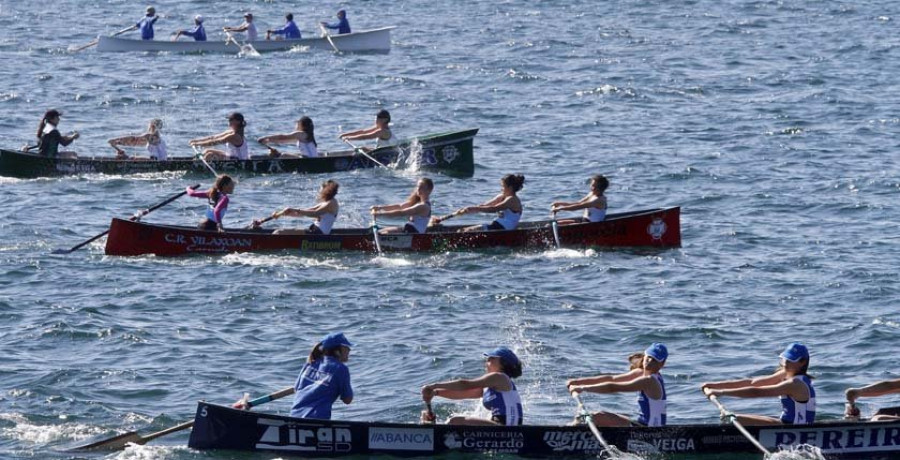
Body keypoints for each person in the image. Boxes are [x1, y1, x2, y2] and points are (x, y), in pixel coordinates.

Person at [702, 343, 816, 426]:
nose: (785, 363)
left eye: (791, 360)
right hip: (784, 423)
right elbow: (752, 383)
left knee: (734, 419)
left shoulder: (795, 384)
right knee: (734, 418)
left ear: (803, 362)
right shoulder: (785, 373)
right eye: (785, 359)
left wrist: (721, 393)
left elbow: (756, 391)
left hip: (795, 429)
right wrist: (714, 385)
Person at [567, 343, 669, 427]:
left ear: (662, 364)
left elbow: (613, 387)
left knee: (596, 416)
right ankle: (573, 430)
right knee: (585, 417)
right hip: (640, 424)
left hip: (649, 431)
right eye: (649, 357)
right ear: (644, 356)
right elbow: (611, 379)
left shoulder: (649, 380)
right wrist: (577, 382)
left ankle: (567, 436)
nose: (649, 362)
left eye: (655, 360)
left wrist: (582, 388)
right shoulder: (641, 373)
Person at [421, 347, 524, 426]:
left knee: (455, 421)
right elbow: (462, 393)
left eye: (491, 359)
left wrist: (433, 386)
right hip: (498, 426)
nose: (486, 362)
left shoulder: (500, 377)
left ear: (503, 363)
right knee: (428, 417)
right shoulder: (491, 386)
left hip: (507, 428)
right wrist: (435, 393)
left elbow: (465, 384)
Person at [289, 332, 354, 419]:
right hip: (317, 419)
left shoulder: (311, 362)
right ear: (337, 350)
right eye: (346, 347)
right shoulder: (340, 368)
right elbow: (347, 400)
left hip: (294, 416)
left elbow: (296, 389)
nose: (349, 350)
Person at [256, 180, 340, 235]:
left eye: (320, 189)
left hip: (318, 234)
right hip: (314, 232)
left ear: (326, 190)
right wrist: (283, 214)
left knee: (278, 232)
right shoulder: (324, 203)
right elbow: (305, 212)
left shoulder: (331, 203)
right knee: (278, 232)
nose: (319, 191)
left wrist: (294, 209)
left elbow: (313, 213)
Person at [449, 174, 525, 232]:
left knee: (466, 231)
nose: (501, 189)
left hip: (504, 229)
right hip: (496, 226)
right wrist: (467, 210)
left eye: (503, 186)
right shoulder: (501, 196)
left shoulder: (512, 200)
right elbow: (484, 206)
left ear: (510, 188)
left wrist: (476, 208)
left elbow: (493, 209)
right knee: (463, 230)